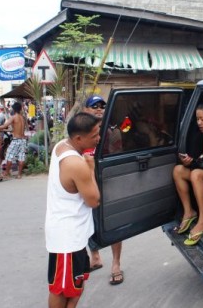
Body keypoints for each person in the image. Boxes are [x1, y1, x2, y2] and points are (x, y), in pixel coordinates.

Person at [45, 112, 101, 308]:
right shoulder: (77, 164)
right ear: (79, 138)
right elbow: (94, 200)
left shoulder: (62, 146)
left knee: (75, 287)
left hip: (69, 234)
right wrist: (91, 169)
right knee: (61, 290)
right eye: (94, 135)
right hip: (67, 239)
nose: (98, 138)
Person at [82, 95, 125, 286]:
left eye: (102, 106)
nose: (99, 109)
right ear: (86, 110)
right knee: (87, 220)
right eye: (94, 106)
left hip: (107, 182)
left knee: (114, 223)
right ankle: (95, 257)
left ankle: (116, 264)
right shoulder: (79, 133)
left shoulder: (113, 132)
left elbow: (117, 159)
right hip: (86, 182)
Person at [172, 102, 203, 246]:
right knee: (178, 170)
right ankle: (189, 212)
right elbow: (197, 161)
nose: (199, 123)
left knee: (196, 174)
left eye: (202, 119)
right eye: (197, 119)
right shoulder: (200, 136)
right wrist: (189, 162)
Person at [0, 102, 27, 179]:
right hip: (23, 140)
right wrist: (6, 130)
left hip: (16, 140)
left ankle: (6, 173)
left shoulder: (13, 117)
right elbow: (14, 128)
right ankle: (19, 174)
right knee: (21, 157)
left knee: (9, 156)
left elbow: (5, 126)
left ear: (14, 109)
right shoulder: (22, 118)